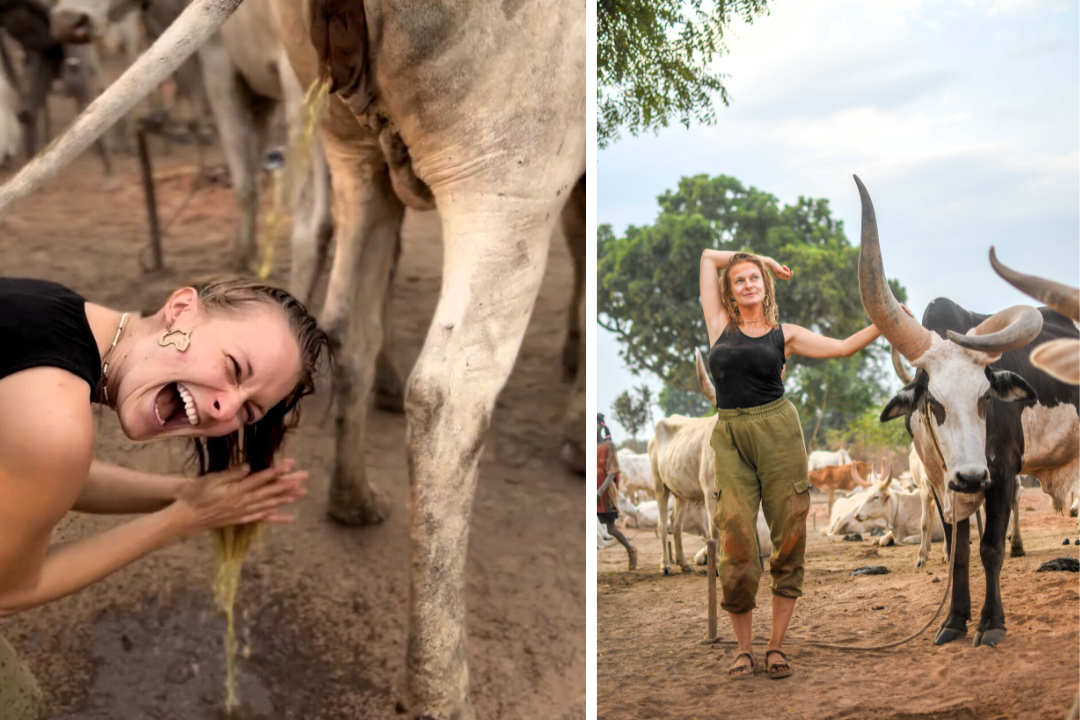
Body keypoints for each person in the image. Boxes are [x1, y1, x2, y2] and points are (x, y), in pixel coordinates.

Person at [0, 276, 328, 717]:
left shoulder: (56, 313)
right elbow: (10, 590)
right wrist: (181, 519)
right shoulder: (55, 423)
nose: (227, 409)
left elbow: (28, 478)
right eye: (234, 368)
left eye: (249, 411)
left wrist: (184, 494)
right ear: (179, 310)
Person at [698, 250, 911, 680]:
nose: (748, 285)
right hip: (730, 434)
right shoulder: (719, 324)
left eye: (754, 278)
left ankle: (775, 646)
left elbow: (844, 348)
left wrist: (886, 321)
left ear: (765, 287)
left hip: (778, 432)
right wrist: (766, 259)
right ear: (729, 291)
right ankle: (743, 649)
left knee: (789, 537)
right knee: (736, 534)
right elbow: (707, 256)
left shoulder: (785, 335)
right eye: (739, 280)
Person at [596, 413, 637, 570]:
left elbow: (612, 471)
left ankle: (631, 550)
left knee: (611, 528)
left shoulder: (608, 446)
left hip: (604, 493)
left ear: (600, 425)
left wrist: (599, 491)